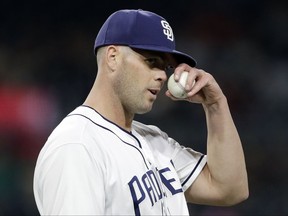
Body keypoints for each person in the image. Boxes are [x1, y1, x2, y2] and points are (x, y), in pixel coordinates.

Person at [33, 9, 249, 215]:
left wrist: (215, 105)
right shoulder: (77, 147)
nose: (163, 76)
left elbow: (229, 189)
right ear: (113, 57)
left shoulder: (154, 141)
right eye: (151, 61)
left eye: (165, 67)